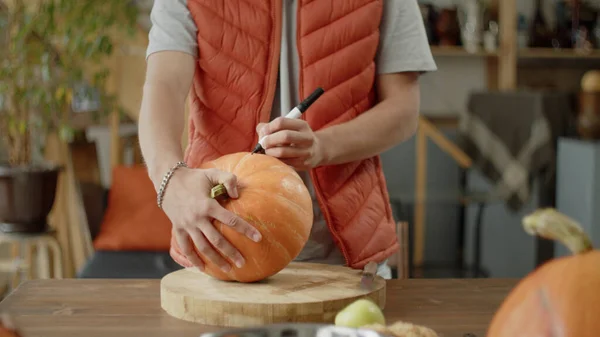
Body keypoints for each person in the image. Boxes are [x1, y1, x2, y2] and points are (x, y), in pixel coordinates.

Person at [138, 0, 437, 279]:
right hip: (219, 250)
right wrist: (171, 179)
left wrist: (323, 147)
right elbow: (163, 85)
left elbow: (403, 109)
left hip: (345, 260)